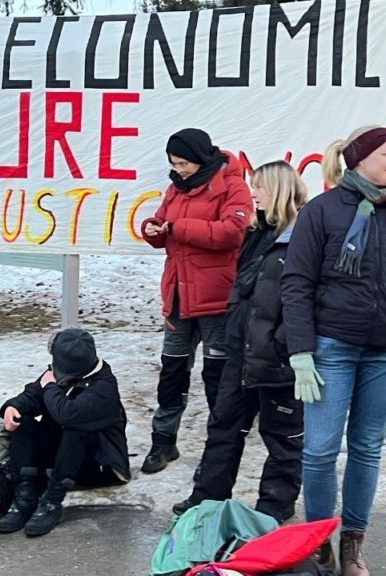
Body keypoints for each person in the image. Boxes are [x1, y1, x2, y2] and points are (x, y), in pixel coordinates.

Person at [281, 126, 386, 575]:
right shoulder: (322, 211)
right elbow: (297, 283)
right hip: (333, 348)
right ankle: (319, 539)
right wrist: (302, 351)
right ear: (360, 158)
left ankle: (352, 544)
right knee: (321, 451)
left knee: (366, 448)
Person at [172, 161, 307, 524]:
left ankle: (272, 512)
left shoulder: (304, 236)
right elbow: (245, 292)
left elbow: (304, 299)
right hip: (242, 352)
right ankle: (206, 500)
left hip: (279, 358)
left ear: (277, 189)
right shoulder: (257, 233)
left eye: (259, 186)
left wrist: (282, 345)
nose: (253, 193)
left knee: (282, 439)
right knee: (223, 426)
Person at [139, 128, 253, 474]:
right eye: (174, 163)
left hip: (216, 298)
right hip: (177, 296)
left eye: (184, 162)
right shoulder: (176, 187)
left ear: (201, 157)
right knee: (172, 372)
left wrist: (176, 227)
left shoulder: (232, 185)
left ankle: (218, 450)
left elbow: (232, 232)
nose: (179, 169)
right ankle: (163, 442)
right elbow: (164, 222)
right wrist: (153, 228)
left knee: (217, 377)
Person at [0, 328, 129, 537]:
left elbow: (67, 414)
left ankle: (52, 500)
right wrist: (13, 407)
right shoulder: (60, 374)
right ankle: (25, 495)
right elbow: (33, 394)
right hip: (62, 458)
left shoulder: (104, 386)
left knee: (76, 428)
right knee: (25, 422)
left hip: (99, 466)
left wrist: (50, 386)